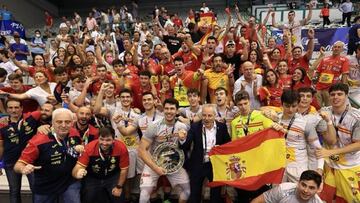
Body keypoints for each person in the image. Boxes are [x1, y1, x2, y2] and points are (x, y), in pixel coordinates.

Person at [14, 108, 82, 203]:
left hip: (69, 183)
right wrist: (23, 169)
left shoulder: (74, 133)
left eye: (67, 122)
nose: (63, 125)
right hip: (45, 186)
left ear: (72, 123)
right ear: (52, 122)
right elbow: (18, 165)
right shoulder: (38, 141)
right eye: (59, 122)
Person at [138, 98, 190, 203]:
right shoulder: (154, 126)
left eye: (172, 109)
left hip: (174, 163)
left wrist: (183, 139)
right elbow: (141, 150)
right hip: (154, 162)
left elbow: (185, 147)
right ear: (163, 110)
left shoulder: (182, 126)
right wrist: (155, 167)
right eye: (166, 108)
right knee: (144, 194)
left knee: (187, 191)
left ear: (176, 111)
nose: (169, 111)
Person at [316, 83, 360, 202]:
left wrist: (331, 152)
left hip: (349, 166)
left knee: (353, 200)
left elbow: (358, 145)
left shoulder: (357, 117)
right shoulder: (324, 111)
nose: (336, 97)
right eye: (333, 94)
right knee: (324, 199)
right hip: (329, 165)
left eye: (340, 94)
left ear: (347, 96)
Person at [179, 104, 231, 203]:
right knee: (194, 195)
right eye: (204, 115)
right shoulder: (195, 127)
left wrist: (220, 149)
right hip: (198, 164)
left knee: (215, 196)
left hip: (215, 166)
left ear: (215, 116)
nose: (206, 118)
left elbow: (228, 144)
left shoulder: (222, 127)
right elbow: (185, 145)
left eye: (209, 115)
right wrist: (182, 139)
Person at [0, 99, 44, 203]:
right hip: (11, 162)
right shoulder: (2, 124)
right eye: (10, 108)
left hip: (31, 161)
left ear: (21, 108)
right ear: (6, 110)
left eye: (16, 107)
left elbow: (50, 111)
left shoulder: (31, 117)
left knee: (35, 189)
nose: (14, 110)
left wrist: (43, 125)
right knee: (14, 191)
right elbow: (1, 146)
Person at [72, 126, 129, 203]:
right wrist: (77, 173)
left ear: (113, 139)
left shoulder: (121, 148)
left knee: (119, 198)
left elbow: (124, 170)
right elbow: (77, 168)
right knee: (88, 198)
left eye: (108, 140)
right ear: (98, 138)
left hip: (112, 177)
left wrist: (119, 187)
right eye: (101, 139)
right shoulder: (89, 148)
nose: (104, 143)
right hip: (93, 178)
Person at [251, 170, 323, 203]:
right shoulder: (283, 189)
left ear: (317, 189)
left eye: (311, 188)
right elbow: (257, 201)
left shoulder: (317, 201)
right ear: (298, 183)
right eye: (303, 185)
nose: (306, 190)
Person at [314, 41, 349, 107]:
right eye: (335, 47)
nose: (336, 48)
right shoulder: (324, 59)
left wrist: (344, 90)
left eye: (339, 47)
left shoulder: (344, 60)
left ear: (342, 49)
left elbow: (344, 76)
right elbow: (317, 72)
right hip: (319, 88)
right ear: (332, 48)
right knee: (317, 108)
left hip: (331, 89)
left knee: (330, 109)